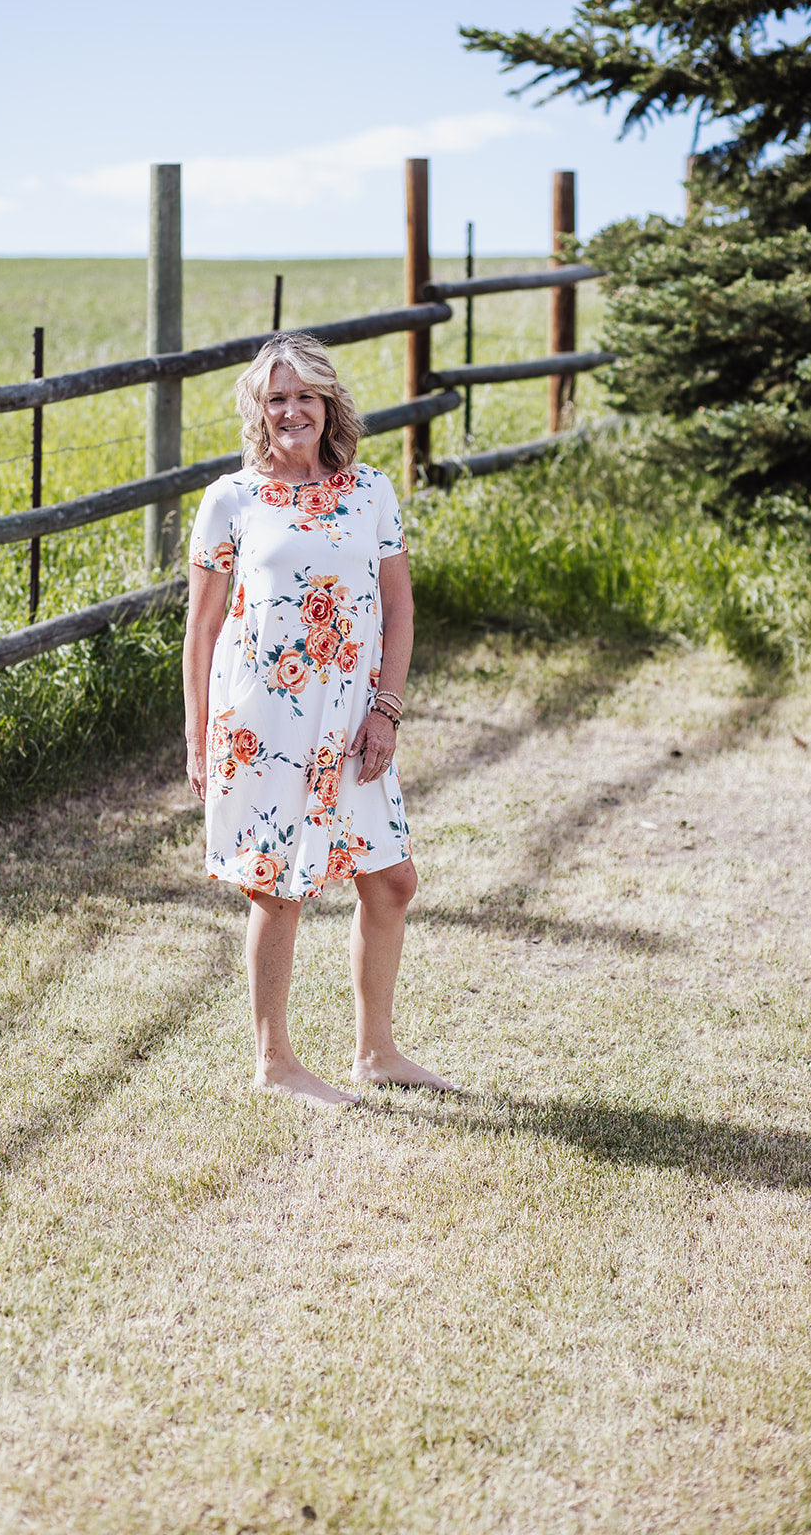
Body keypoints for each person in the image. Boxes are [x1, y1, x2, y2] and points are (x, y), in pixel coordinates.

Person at [182, 332, 452, 1106]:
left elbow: (398, 609)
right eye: (276, 398)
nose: (291, 410)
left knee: (392, 881)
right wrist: (198, 736)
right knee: (277, 886)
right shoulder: (230, 499)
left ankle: (377, 1052)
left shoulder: (369, 490)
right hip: (260, 723)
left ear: (328, 402)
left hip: (351, 720)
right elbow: (200, 632)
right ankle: (274, 1062)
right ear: (257, 412)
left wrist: (386, 711)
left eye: (304, 395)